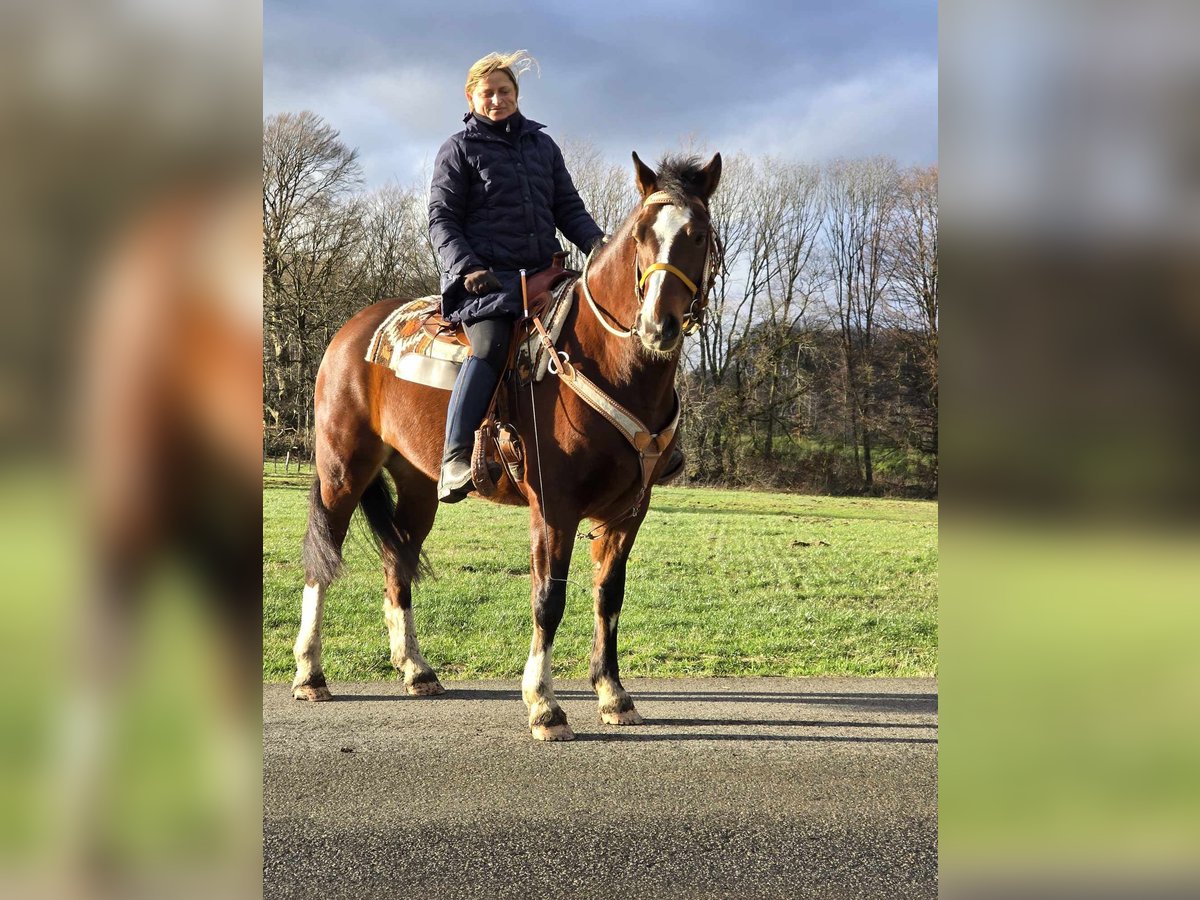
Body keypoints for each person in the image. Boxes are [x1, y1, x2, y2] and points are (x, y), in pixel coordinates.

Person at [428, 50, 604, 503]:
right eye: (487, 93)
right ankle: (454, 457)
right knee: (489, 346)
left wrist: (599, 248)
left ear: (517, 95)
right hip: (487, 282)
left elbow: (568, 208)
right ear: (471, 98)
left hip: (547, 273)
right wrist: (467, 268)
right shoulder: (459, 148)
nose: (497, 99)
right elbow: (442, 219)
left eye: (505, 91)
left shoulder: (542, 146)